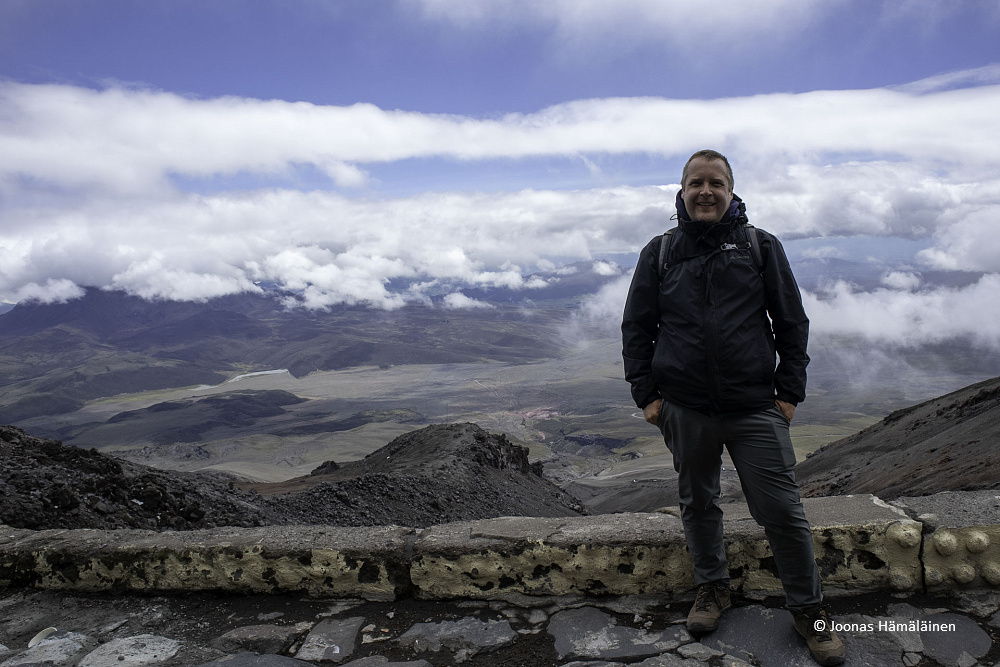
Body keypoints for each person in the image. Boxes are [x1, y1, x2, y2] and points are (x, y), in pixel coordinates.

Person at [621, 149, 844, 666]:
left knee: (783, 513)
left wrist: (788, 395)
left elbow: (792, 323)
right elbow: (637, 327)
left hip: (754, 408)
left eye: (715, 183)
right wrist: (648, 398)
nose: (705, 191)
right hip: (685, 408)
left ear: (731, 190)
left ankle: (810, 611)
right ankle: (712, 588)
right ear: (681, 191)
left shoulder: (759, 247)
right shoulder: (659, 253)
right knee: (698, 504)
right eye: (696, 183)